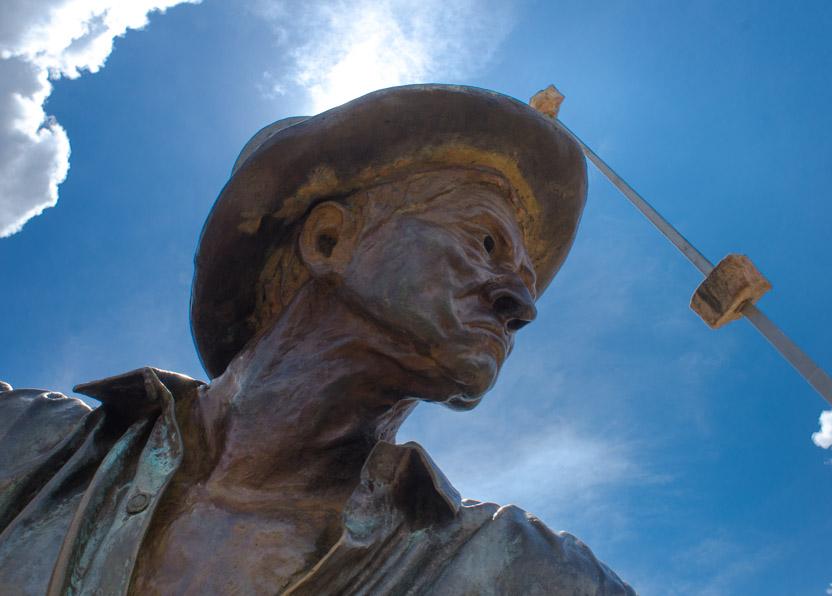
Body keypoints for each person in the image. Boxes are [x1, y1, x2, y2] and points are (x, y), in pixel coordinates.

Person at [0, 85, 635, 595]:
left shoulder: (524, 572)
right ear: (329, 240)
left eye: (525, 280)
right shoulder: (29, 445)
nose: (520, 304)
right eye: (486, 244)